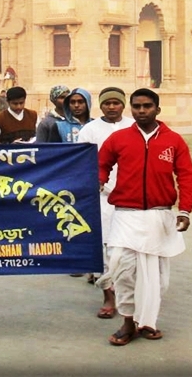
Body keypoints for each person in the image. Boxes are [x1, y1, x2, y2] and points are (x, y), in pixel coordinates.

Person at [95, 88, 192, 346]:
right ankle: (128, 323)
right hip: (126, 215)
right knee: (123, 270)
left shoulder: (174, 141)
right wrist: (99, 180)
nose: (141, 111)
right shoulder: (118, 139)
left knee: (156, 277)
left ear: (157, 109)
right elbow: (102, 164)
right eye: (137, 106)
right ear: (132, 109)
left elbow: (186, 176)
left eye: (147, 106)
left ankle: (147, 322)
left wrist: (184, 210)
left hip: (159, 216)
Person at [76, 86, 133, 319]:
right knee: (106, 249)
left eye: (116, 103)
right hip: (101, 197)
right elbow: (81, 161)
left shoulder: (133, 126)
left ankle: (129, 297)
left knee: (129, 250)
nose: (111, 107)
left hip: (132, 197)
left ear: (123, 104)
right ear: (100, 105)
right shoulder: (90, 130)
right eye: (107, 103)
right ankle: (109, 297)